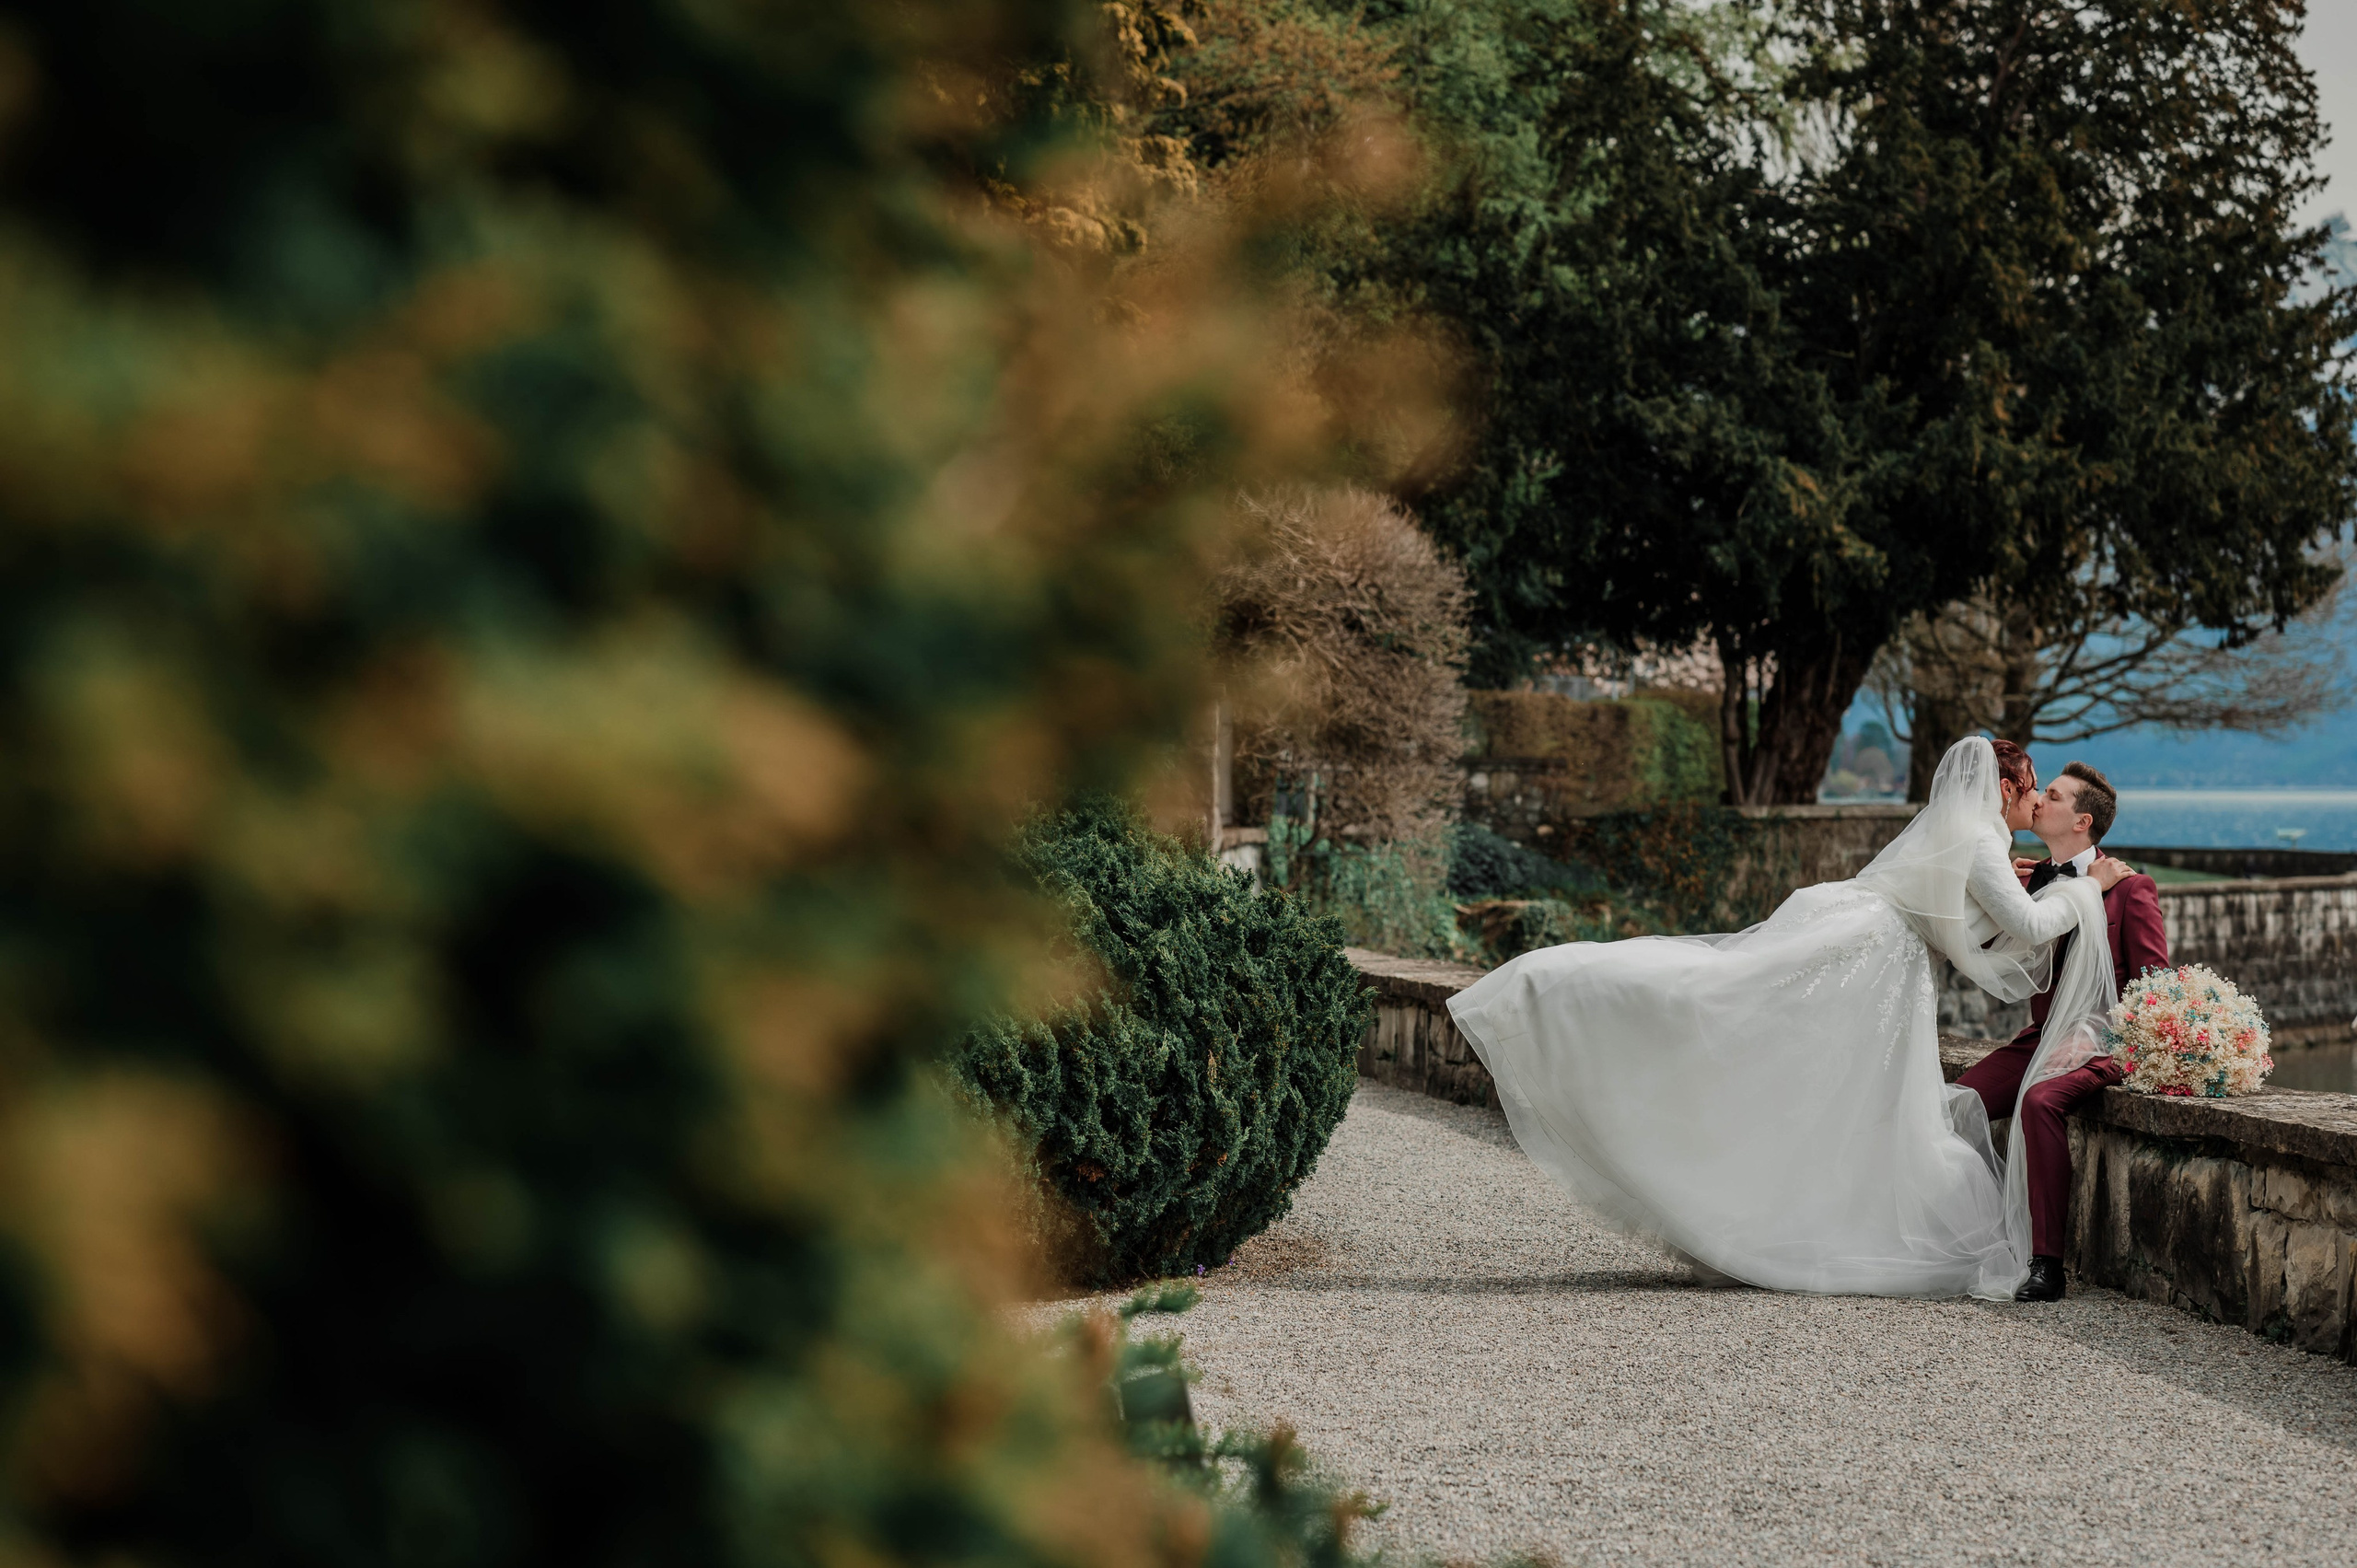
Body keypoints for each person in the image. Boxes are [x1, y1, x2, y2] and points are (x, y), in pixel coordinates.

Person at [1446, 736, 2132, 1301]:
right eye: (2032, 786)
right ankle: (1557, 989)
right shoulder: (1983, 844)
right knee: (1746, 1021)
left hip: (1866, 937)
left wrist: (2014, 877)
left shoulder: (1975, 837)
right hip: (1871, 954)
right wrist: (2086, 886)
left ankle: (1555, 989)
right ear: (2005, 789)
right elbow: (2028, 923)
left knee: (1774, 1042)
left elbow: (1972, 905)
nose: (2038, 797)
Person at [1956, 761, 2166, 1302]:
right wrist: (2000, 884)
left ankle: (2047, 1263)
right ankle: (1965, 1236)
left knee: (2041, 1103)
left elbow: (2153, 990)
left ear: (2082, 821)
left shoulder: (2132, 889)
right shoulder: (2028, 881)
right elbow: (1978, 951)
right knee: (1960, 1103)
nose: (2038, 800)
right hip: (2040, 1036)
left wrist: (2099, 1037)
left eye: (2052, 794)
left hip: (2103, 1043)